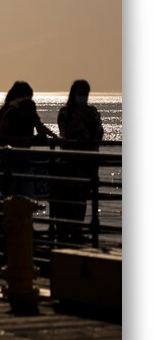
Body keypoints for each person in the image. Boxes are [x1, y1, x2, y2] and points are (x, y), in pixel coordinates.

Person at [53, 80, 104, 242]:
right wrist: (80, 117)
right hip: (70, 162)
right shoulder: (65, 112)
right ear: (73, 94)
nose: (83, 97)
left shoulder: (93, 112)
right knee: (67, 199)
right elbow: (65, 133)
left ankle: (77, 231)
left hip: (88, 161)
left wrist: (91, 119)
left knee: (82, 198)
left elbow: (99, 134)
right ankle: (64, 232)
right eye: (80, 94)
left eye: (86, 94)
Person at [0, 82, 56, 197]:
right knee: (12, 193)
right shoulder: (10, 112)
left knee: (24, 193)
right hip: (10, 159)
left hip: (23, 159)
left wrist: (52, 135)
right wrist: (24, 139)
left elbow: (40, 129)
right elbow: (1, 135)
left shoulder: (29, 112)